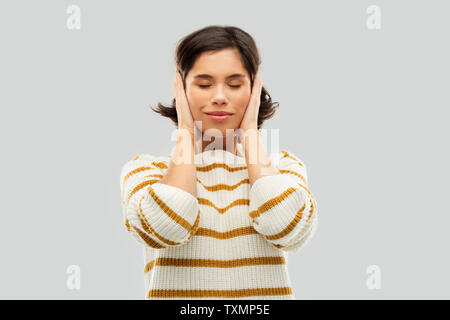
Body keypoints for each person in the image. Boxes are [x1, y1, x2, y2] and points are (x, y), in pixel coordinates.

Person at [119, 25, 318, 299]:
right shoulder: (146, 171)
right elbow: (169, 225)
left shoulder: (283, 168)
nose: (220, 97)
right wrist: (186, 134)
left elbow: (285, 227)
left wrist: (249, 133)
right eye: (204, 84)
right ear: (181, 89)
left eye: (235, 84)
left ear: (254, 89)